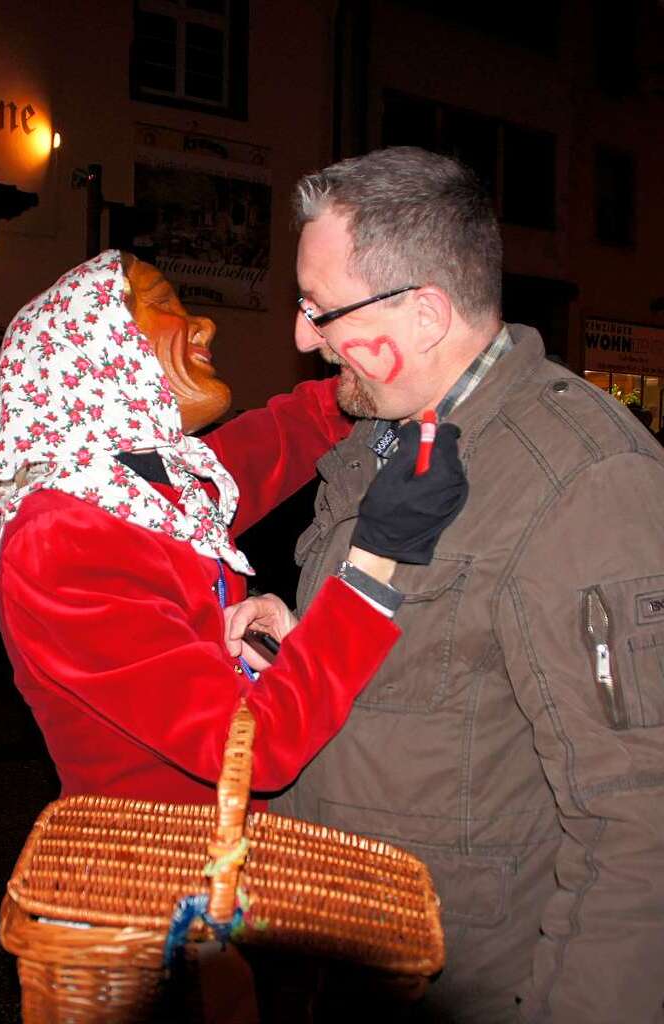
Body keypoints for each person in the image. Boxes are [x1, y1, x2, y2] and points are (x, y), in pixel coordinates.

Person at [239, 147, 664, 1023]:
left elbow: (639, 828)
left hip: (468, 985)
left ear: (426, 314)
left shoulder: (581, 482)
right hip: (343, 965)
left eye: (321, 310)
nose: (300, 337)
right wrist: (296, 630)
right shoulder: (386, 440)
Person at [0, 248, 467, 808]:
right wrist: (374, 563)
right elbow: (252, 750)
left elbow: (286, 433)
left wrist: (394, 368)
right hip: (164, 879)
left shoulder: (149, 487)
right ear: (98, 349)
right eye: (162, 305)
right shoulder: (63, 538)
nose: (204, 323)